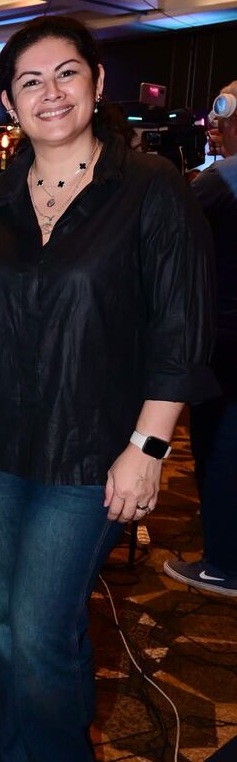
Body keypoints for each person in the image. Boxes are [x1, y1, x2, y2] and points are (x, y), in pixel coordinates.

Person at [0, 15, 216, 762]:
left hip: (92, 450)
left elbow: (182, 331)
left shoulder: (153, 187)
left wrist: (149, 448)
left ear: (98, 85)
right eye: (31, 81)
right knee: (2, 623)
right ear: (8, 102)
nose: (51, 92)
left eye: (67, 74)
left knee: (39, 625)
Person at [164, 81, 237, 597]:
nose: (215, 123)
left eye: (224, 112)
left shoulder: (222, 178)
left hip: (226, 340)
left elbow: (167, 231)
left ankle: (224, 563)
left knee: (220, 448)